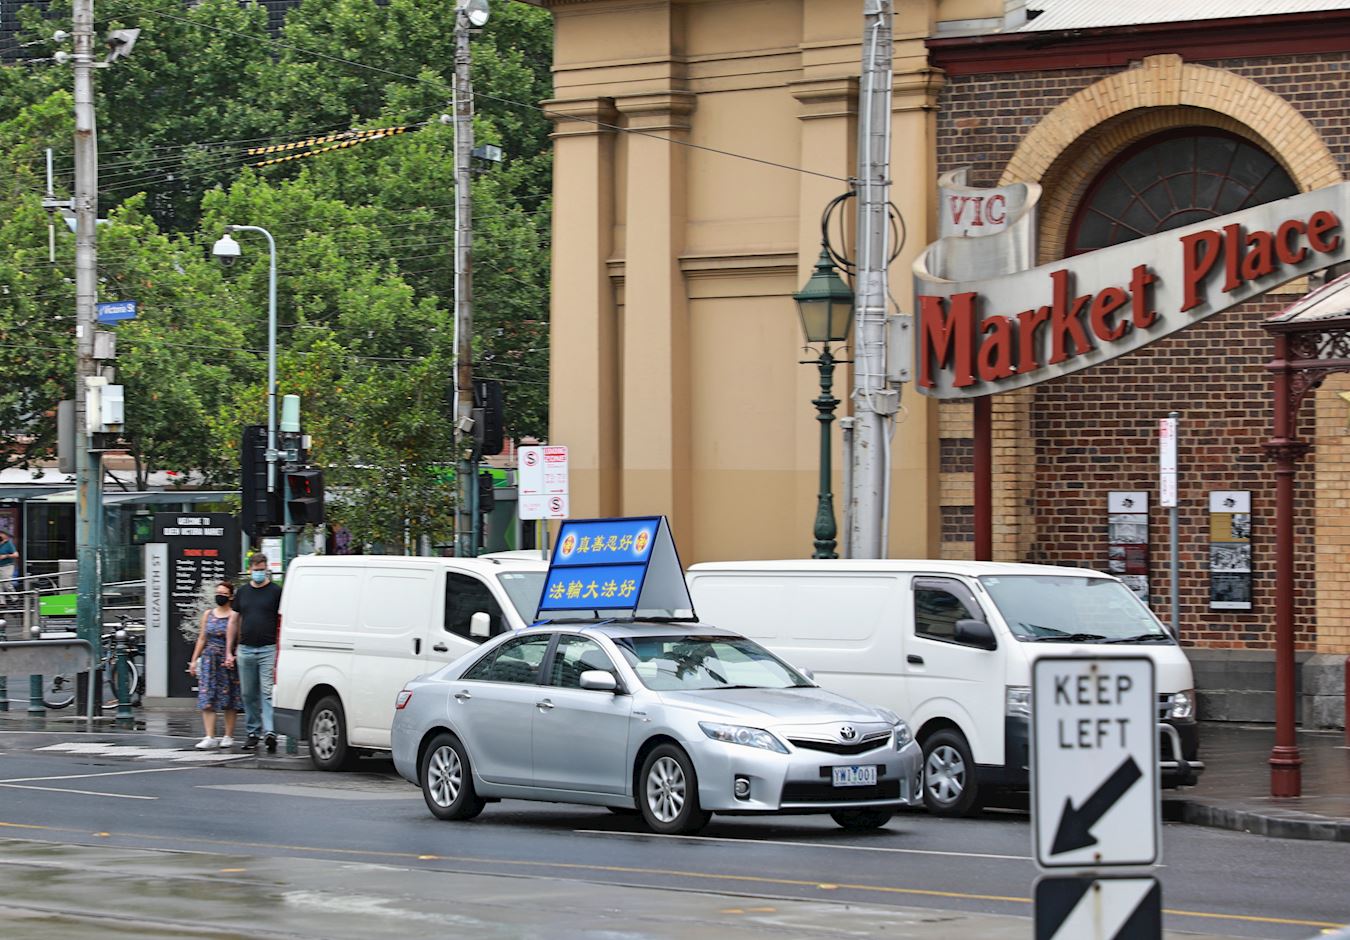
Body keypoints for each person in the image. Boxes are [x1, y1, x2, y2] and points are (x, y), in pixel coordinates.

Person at [227, 553, 282, 752]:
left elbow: (282, 619)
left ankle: (270, 732)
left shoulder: (276, 592)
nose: (259, 573)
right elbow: (233, 621)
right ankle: (253, 732)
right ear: (250, 569)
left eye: (262, 570)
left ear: (266, 569)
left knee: (267, 692)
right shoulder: (243, 592)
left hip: (268, 648)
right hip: (246, 648)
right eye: (256, 570)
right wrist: (229, 651)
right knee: (248, 693)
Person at [188, 581, 242, 749]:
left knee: (229, 697)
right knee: (207, 695)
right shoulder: (208, 614)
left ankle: (228, 735)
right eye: (218, 593)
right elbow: (202, 638)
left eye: (224, 593)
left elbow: (239, 638)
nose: (219, 596)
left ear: (231, 597)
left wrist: (234, 656)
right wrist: (194, 660)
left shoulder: (235, 615)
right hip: (209, 659)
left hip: (227, 660)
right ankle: (209, 736)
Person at [0, 529, 18, 606]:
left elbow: (16, 555)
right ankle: (2, 602)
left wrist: (6, 556)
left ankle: (15, 599)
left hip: (7, 566)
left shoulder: (9, 544)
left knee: (7, 583)